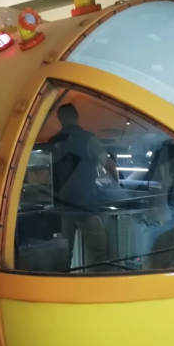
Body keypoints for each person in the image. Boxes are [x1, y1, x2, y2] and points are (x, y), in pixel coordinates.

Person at [49, 104, 119, 271]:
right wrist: (117, 187)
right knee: (99, 248)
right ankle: (95, 282)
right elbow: (109, 165)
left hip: (61, 205)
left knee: (64, 251)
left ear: (59, 119)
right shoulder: (87, 138)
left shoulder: (53, 142)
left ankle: (62, 280)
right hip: (84, 204)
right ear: (77, 116)